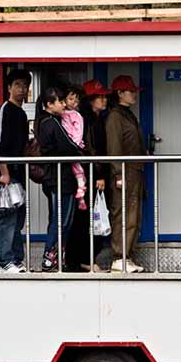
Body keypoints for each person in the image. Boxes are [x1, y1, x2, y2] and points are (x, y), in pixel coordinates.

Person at [34, 86, 83, 272]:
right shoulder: (51, 122)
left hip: (56, 177)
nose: (64, 105)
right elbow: (68, 146)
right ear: (49, 104)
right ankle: (49, 257)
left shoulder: (45, 121)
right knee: (61, 219)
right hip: (59, 177)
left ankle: (56, 258)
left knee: (61, 219)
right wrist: (80, 150)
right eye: (60, 101)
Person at [65, 78, 112, 272]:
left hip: (89, 174)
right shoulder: (87, 120)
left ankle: (85, 258)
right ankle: (81, 260)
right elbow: (91, 150)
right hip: (89, 175)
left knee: (91, 218)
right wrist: (99, 174)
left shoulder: (96, 118)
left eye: (104, 96)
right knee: (84, 220)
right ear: (90, 100)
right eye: (99, 97)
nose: (104, 100)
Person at [0, 68, 32, 273]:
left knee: (18, 218)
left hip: (19, 173)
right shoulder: (4, 110)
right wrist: (4, 172)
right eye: (17, 85)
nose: (22, 89)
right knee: (7, 217)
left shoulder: (22, 113)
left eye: (25, 85)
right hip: (7, 175)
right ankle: (4, 260)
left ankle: (16, 259)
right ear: (8, 87)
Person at [106, 75, 146, 273]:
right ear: (120, 93)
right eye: (130, 91)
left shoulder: (128, 114)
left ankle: (127, 256)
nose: (134, 94)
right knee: (123, 213)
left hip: (135, 169)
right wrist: (118, 173)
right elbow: (114, 147)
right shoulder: (115, 116)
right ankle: (118, 257)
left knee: (133, 215)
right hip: (125, 170)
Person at [61, 85, 88, 212]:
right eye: (71, 99)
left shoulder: (77, 115)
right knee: (74, 168)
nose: (73, 102)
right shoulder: (60, 114)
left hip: (73, 146)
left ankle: (81, 189)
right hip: (66, 147)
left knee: (77, 168)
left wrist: (74, 145)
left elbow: (79, 132)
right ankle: (80, 194)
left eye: (76, 100)